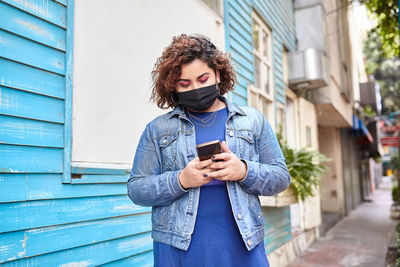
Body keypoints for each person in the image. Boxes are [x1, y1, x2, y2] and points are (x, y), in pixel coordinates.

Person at [127, 34, 291, 267]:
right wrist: (181, 180)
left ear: (217, 73)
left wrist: (243, 170)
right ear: (173, 85)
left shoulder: (253, 121)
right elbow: (136, 189)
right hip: (178, 248)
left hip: (243, 244)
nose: (195, 88)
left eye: (203, 79)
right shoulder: (157, 129)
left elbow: (281, 178)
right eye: (185, 84)